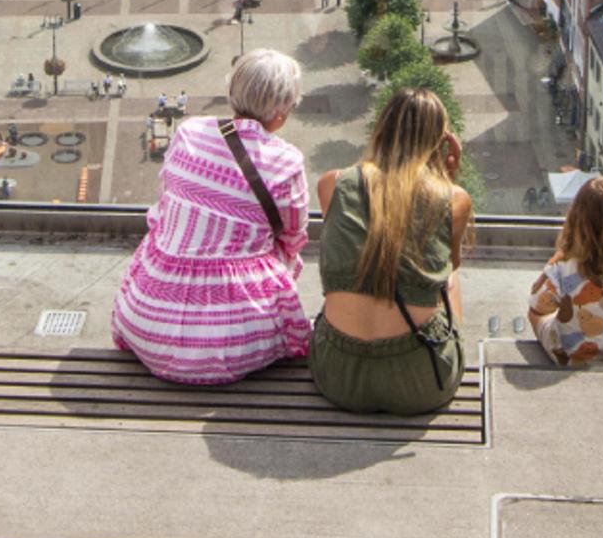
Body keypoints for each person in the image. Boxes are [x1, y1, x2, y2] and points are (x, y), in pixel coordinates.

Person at [109, 51, 312, 385]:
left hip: (147, 323)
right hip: (239, 343)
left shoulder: (188, 134)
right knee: (276, 257)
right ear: (281, 111)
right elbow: (293, 237)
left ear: (232, 92)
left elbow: (163, 210)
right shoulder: (285, 162)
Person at [308, 87, 473, 415]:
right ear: (439, 141)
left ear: (381, 129)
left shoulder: (332, 183)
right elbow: (448, 268)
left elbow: (361, 240)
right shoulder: (453, 198)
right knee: (450, 275)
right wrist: (449, 178)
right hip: (422, 379)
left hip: (338, 374)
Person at [528, 174, 603, 368]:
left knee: (537, 315)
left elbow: (538, 306)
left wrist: (555, 261)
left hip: (569, 358)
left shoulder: (562, 269)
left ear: (575, 219)